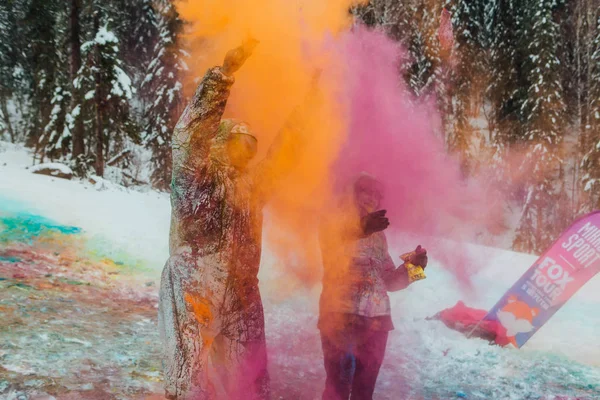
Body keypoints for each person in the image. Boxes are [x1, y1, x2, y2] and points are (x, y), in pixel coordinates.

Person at [158, 39, 319, 400]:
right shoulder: (195, 175)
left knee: (250, 385)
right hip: (192, 290)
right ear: (219, 143)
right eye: (240, 142)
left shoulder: (252, 184)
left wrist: (312, 100)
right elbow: (187, 136)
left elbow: (285, 153)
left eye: (252, 144)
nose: (248, 150)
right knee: (190, 386)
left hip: (242, 295)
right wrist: (224, 76)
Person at [318, 173, 428, 400]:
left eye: (378, 195)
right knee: (337, 388)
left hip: (377, 321)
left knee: (364, 391)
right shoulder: (334, 221)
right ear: (353, 193)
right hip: (341, 315)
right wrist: (360, 228)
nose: (373, 198)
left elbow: (388, 280)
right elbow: (332, 243)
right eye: (367, 191)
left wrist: (414, 268)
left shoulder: (379, 237)